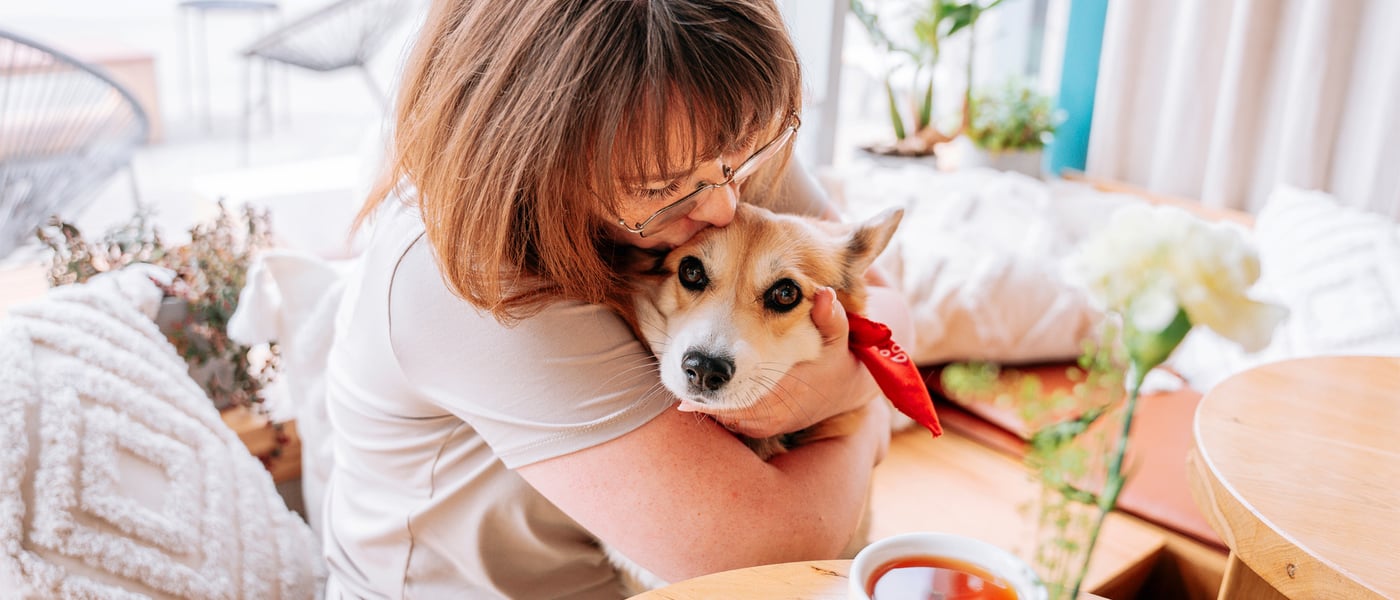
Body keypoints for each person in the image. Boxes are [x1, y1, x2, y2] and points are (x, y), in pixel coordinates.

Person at [322, 0, 914, 597]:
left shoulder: (699, 142)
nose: (723, 208)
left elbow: (889, 305)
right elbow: (767, 551)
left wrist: (843, 388)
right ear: (540, 161)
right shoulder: (469, 279)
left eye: (738, 156)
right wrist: (860, 425)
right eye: (661, 188)